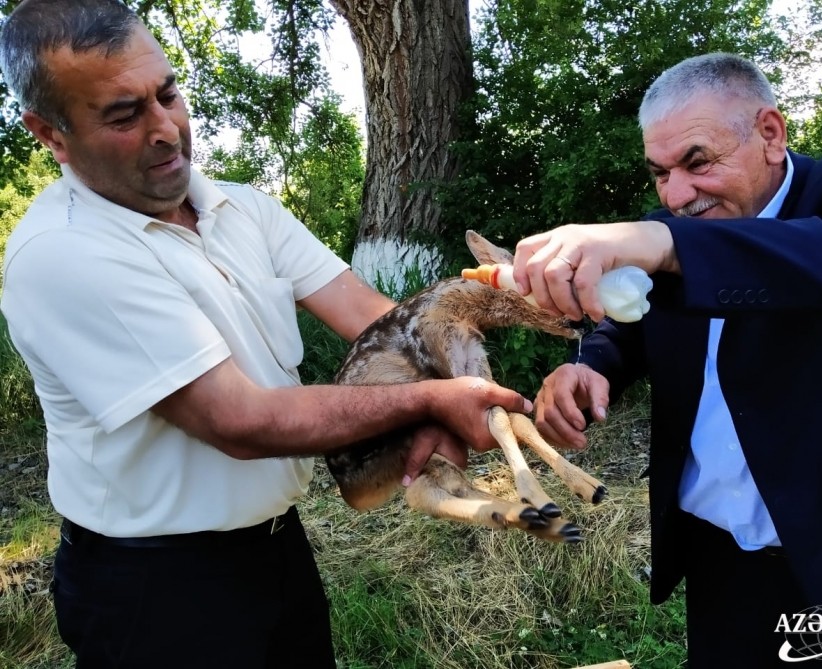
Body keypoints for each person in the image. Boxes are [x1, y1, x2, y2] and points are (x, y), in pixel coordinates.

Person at [0, 1, 531, 667]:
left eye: (167, 92)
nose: (166, 128)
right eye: (124, 114)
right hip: (155, 588)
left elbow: (380, 321)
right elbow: (242, 419)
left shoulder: (242, 208)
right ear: (50, 133)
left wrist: (462, 354)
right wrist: (429, 402)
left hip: (275, 549)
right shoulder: (63, 254)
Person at [512, 52, 822, 667]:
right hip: (718, 561)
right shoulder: (674, 235)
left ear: (770, 134)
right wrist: (592, 366)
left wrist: (663, 241)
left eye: (697, 162)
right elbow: (630, 324)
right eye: (660, 174)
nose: (678, 195)